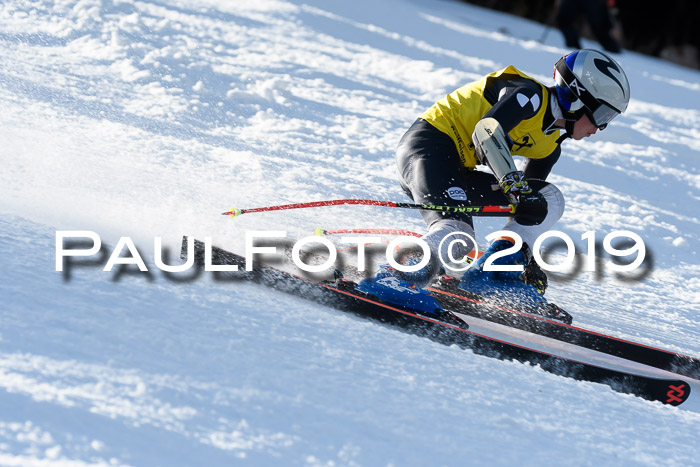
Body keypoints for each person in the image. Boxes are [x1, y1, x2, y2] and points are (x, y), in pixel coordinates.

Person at [356, 49, 630, 319]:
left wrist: (523, 256)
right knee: (457, 235)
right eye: (602, 115)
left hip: (458, 169)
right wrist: (514, 186)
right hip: (428, 146)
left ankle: (494, 273)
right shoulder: (530, 96)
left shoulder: (551, 145)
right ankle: (393, 279)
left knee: (548, 199)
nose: (600, 128)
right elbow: (487, 131)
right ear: (576, 97)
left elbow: (528, 210)